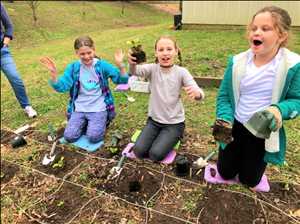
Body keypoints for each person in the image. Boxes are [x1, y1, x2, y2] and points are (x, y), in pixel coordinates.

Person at [214, 6, 300, 190]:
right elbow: (223, 96)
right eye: (254, 28)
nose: (257, 32)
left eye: (265, 28)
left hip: (261, 131)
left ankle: (251, 166)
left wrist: (279, 109)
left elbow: (296, 100)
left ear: (282, 35)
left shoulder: (292, 65)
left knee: (250, 180)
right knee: (225, 172)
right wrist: (224, 119)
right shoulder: (236, 62)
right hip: (235, 125)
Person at [128, 35, 205, 162]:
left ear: (176, 51)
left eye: (169, 49)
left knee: (155, 155)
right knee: (139, 151)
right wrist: (131, 64)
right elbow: (136, 71)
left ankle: (176, 135)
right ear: (156, 53)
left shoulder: (182, 72)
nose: (165, 53)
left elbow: (200, 93)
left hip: (174, 123)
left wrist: (197, 94)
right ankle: (161, 137)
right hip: (154, 121)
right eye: (161, 49)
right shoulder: (152, 69)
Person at [40, 36, 128, 143]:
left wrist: (121, 66)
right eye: (82, 54)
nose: (86, 57)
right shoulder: (73, 68)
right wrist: (54, 74)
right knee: (69, 137)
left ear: (94, 50)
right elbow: (62, 86)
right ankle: (86, 122)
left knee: (93, 137)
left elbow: (121, 80)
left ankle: (102, 120)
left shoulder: (102, 66)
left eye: (89, 53)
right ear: (76, 53)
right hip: (80, 108)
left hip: (98, 108)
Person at [1, 3, 37, 118]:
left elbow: (9, 26)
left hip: (2, 52)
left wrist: (5, 42)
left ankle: (27, 106)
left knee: (15, 78)